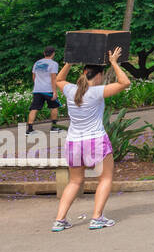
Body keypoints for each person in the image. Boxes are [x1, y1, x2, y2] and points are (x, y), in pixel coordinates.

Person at [50, 47, 130, 231]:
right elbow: (125, 82)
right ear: (99, 75)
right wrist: (114, 63)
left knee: (75, 182)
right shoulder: (96, 92)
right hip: (95, 141)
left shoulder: (70, 90)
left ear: (85, 72)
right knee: (105, 178)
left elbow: (58, 79)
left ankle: (59, 220)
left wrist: (70, 61)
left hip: (73, 142)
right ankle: (97, 218)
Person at [27, 45, 61, 134]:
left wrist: (38, 85)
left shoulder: (37, 63)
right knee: (54, 107)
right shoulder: (53, 64)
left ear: (44, 53)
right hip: (48, 90)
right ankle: (54, 128)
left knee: (34, 108)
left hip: (37, 89)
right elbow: (53, 78)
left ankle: (29, 129)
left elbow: (33, 76)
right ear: (53, 54)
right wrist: (54, 91)